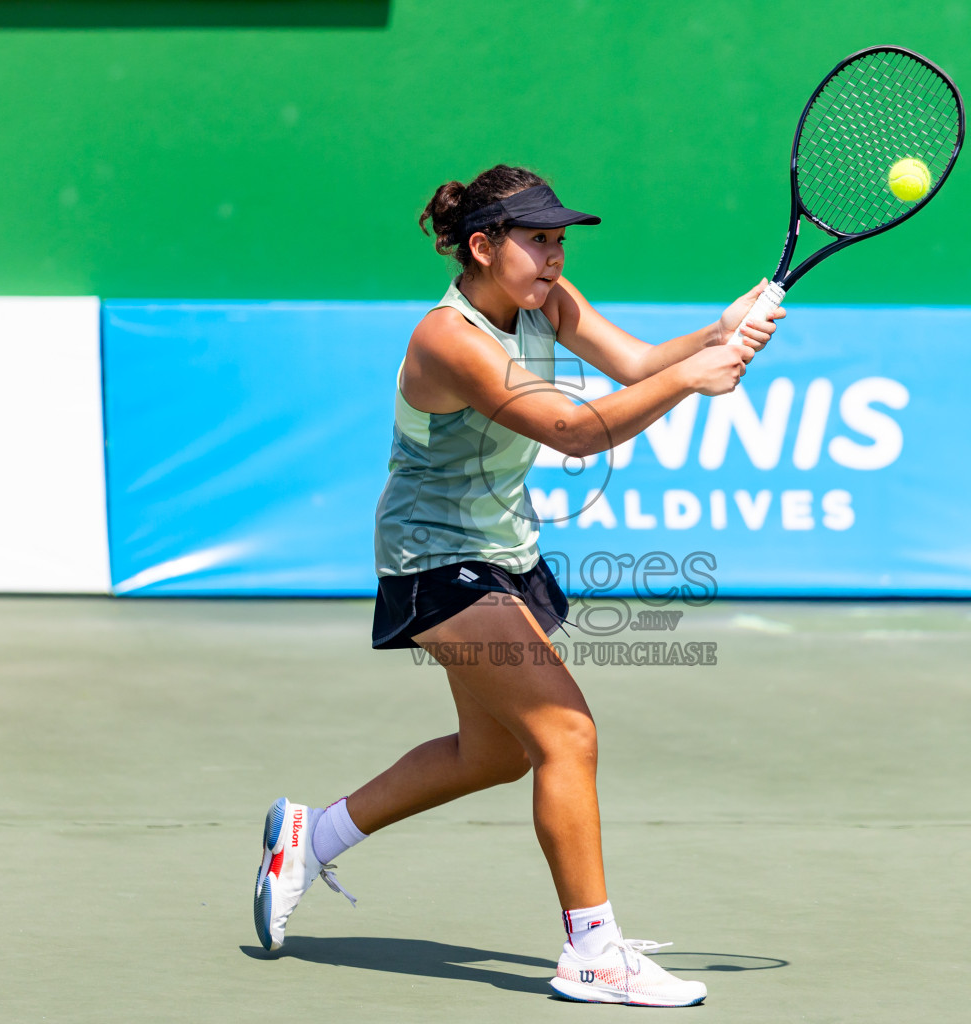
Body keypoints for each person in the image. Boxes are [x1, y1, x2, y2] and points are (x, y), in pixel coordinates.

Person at [253, 164, 782, 1007]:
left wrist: (714, 334)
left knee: (494, 752)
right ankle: (593, 953)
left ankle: (310, 839)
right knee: (566, 732)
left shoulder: (547, 300)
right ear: (482, 246)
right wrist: (692, 379)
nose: (554, 255)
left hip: (505, 550)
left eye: (560, 239)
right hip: (434, 559)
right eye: (538, 239)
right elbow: (573, 431)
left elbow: (638, 360)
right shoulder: (447, 338)